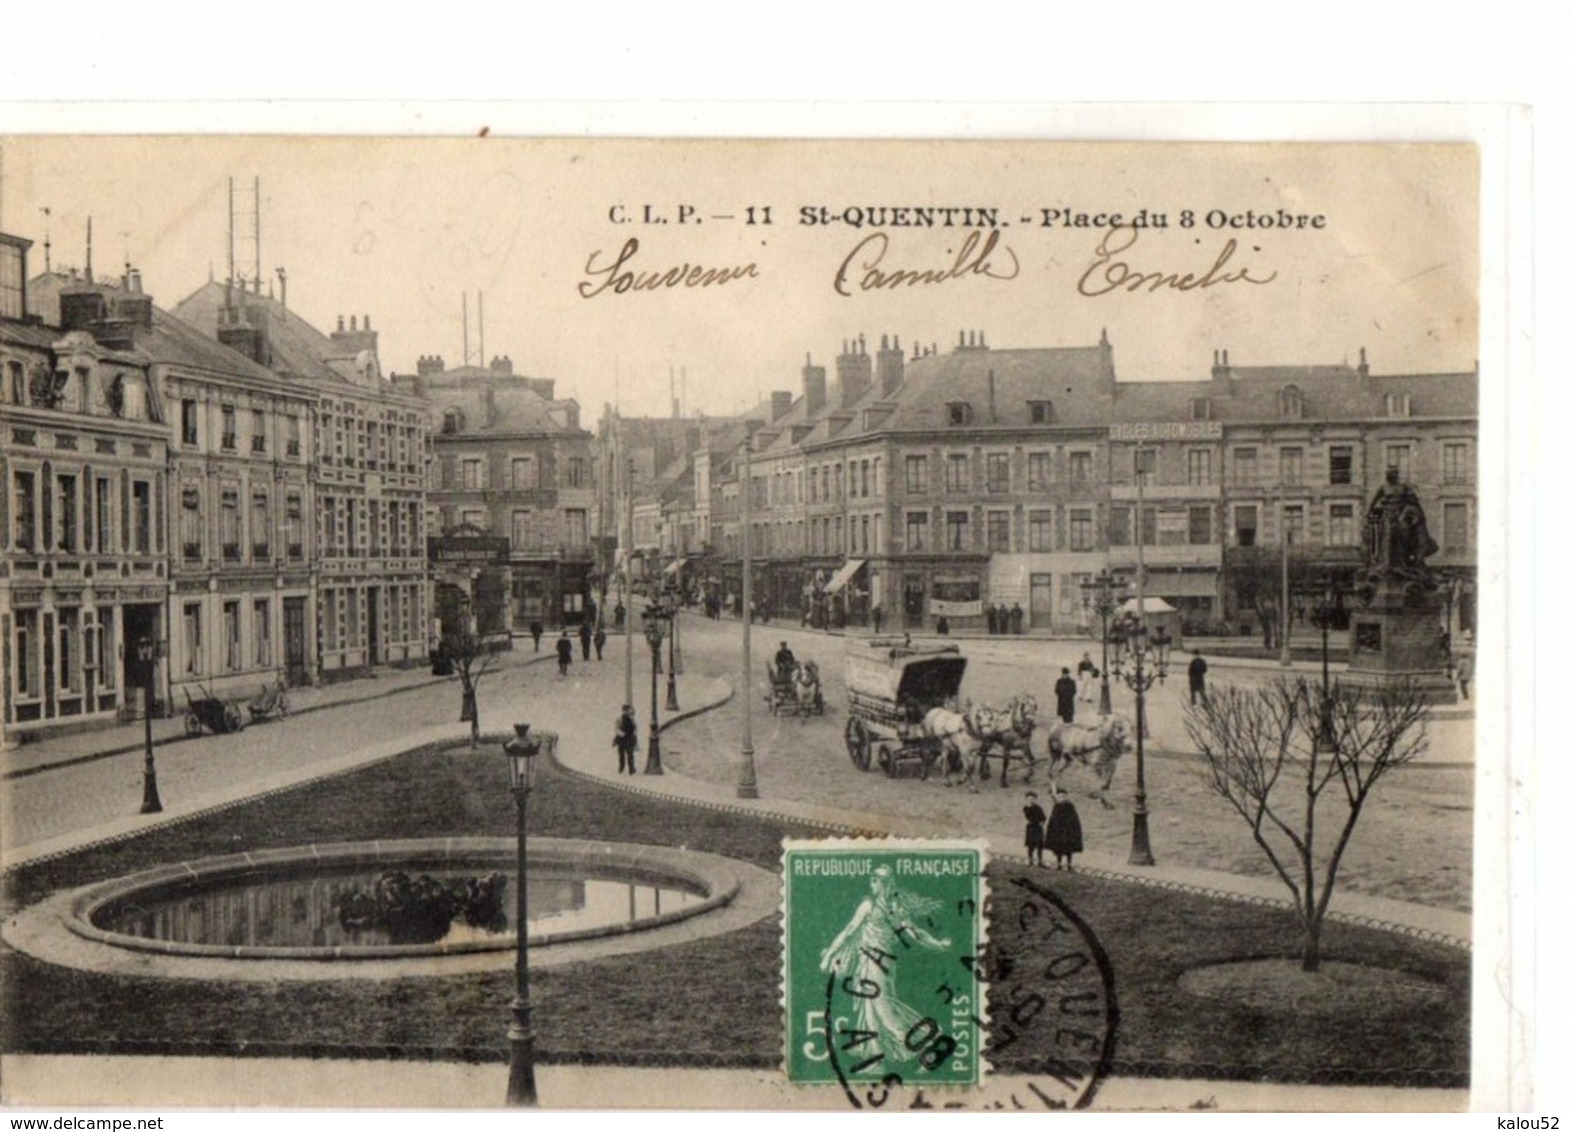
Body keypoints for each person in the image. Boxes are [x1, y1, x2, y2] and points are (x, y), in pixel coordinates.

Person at [818, 866, 951, 1072]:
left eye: (876, 880)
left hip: (879, 964)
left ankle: (931, 1043)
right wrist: (829, 954)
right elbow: (849, 932)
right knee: (870, 1010)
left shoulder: (891, 907)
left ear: (886, 883)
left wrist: (938, 944)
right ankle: (876, 1060)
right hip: (870, 962)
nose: (872, 883)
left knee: (885, 1010)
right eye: (872, 879)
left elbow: (915, 932)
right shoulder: (873, 905)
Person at [1045, 787, 1084, 870]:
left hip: (1068, 831)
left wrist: (1071, 829)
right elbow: (1053, 818)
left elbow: (1074, 818)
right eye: (1060, 796)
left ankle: (1069, 864)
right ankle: (1059, 864)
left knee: (1068, 848)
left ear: (1066, 797)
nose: (1062, 798)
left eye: (1063, 796)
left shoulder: (1070, 806)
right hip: (1058, 831)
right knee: (1058, 848)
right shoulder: (1056, 806)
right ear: (1058, 797)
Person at [1023, 791, 1048, 867]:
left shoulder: (1038, 808)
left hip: (1038, 828)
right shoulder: (1026, 808)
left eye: (1032, 799)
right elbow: (1028, 816)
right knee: (1031, 845)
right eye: (1029, 799)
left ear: (1035, 799)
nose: (1031, 800)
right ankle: (1030, 861)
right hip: (1031, 828)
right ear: (1026, 799)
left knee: (1039, 845)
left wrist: (1042, 822)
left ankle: (1040, 861)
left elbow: (1043, 817)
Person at [613, 704, 638, 774]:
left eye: (627, 710)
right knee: (622, 754)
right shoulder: (620, 718)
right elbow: (616, 728)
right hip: (622, 739)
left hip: (629, 738)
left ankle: (631, 768)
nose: (626, 712)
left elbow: (635, 727)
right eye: (625, 710)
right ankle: (621, 767)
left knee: (630, 754)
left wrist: (633, 734)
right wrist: (622, 734)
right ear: (623, 710)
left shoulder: (631, 718)